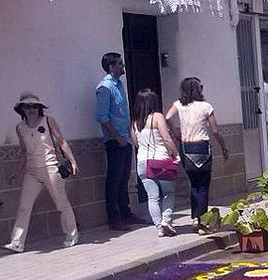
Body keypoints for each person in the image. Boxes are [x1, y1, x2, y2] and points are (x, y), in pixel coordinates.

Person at [3, 92, 79, 252]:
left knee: (61, 203)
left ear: (40, 108)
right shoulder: (20, 128)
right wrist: (17, 173)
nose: (31, 109)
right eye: (27, 106)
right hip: (32, 171)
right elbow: (23, 152)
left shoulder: (48, 121)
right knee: (24, 205)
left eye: (34, 106)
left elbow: (62, 142)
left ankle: (72, 236)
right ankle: (17, 242)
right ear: (21, 109)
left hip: (51, 167)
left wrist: (72, 161)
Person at [166, 77, 229, 234]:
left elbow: (167, 117)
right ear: (197, 89)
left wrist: (176, 133)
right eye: (201, 86)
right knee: (203, 186)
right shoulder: (205, 106)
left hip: (186, 147)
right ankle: (201, 221)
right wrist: (223, 147)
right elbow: (215, 131)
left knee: (194, 184)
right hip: (201, 146)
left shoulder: (178, 104)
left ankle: (195, 217)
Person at [95, 52, 146, 229]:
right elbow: (102, 116)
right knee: (114, 179)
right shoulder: (105, 88)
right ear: (111, 67)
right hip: (115, 141)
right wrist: (117, 137)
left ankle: (126, 212)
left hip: (124, 138)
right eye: (119, 64)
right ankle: (114, 218)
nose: (123, 67)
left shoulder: (119, 85)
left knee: (124, 178)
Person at [131, 88, 179, 236]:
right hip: (161, 161)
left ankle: (159, 228)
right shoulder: (157, 117)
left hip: (142, 162)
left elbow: (135, 142)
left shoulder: (135, 122)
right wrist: (175, 154)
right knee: (168, 193)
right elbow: (166, 138)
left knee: (152, 197)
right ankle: (166, 220)